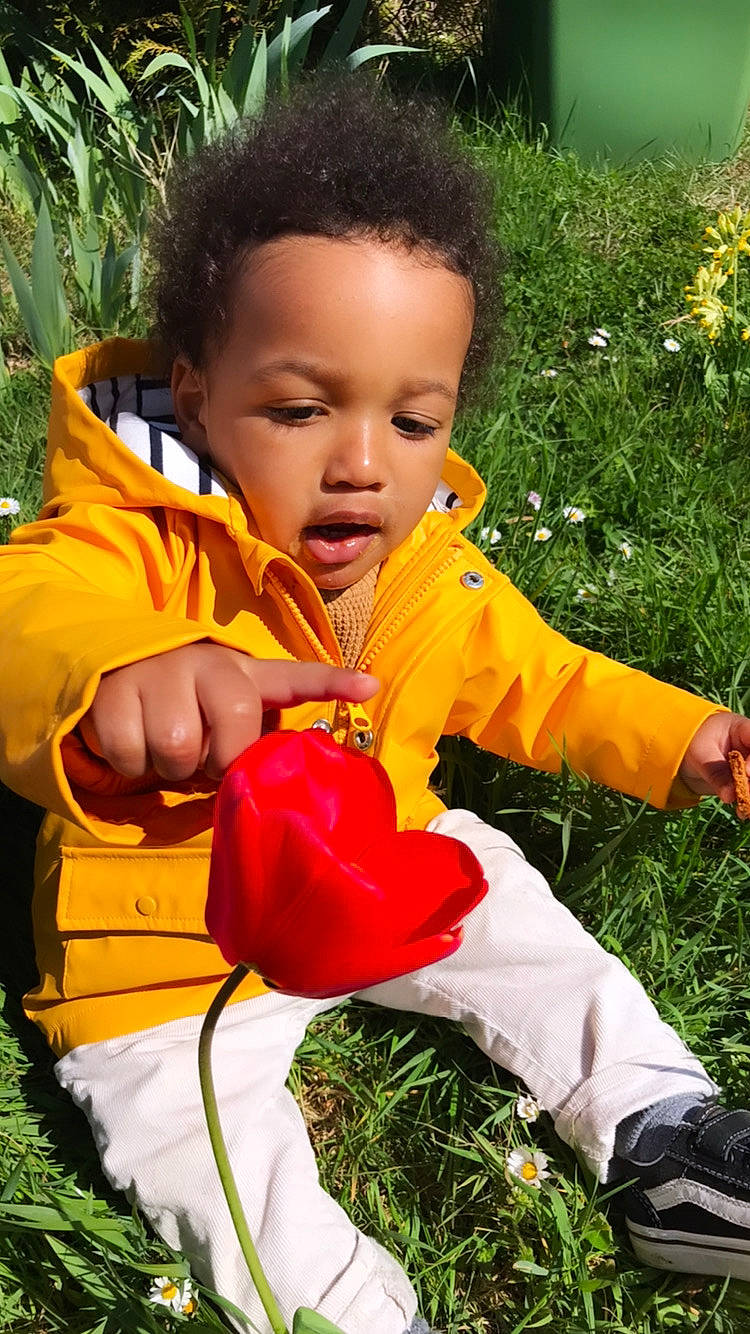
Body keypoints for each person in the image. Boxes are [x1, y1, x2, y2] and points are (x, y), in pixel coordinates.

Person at [0, 78, 749, 1334]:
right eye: (300, 409)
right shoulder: (132, 543)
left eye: (413, 420)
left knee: (516, 912)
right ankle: (354, 1314)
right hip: (167, 955)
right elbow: (26, 612)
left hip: (377, 865)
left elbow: (547, 676)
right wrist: (124, 671)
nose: (361, 461)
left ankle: (660, 1130)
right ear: (196, 395)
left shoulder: (429, 565)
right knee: (214, 1161)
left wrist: (687, 735)